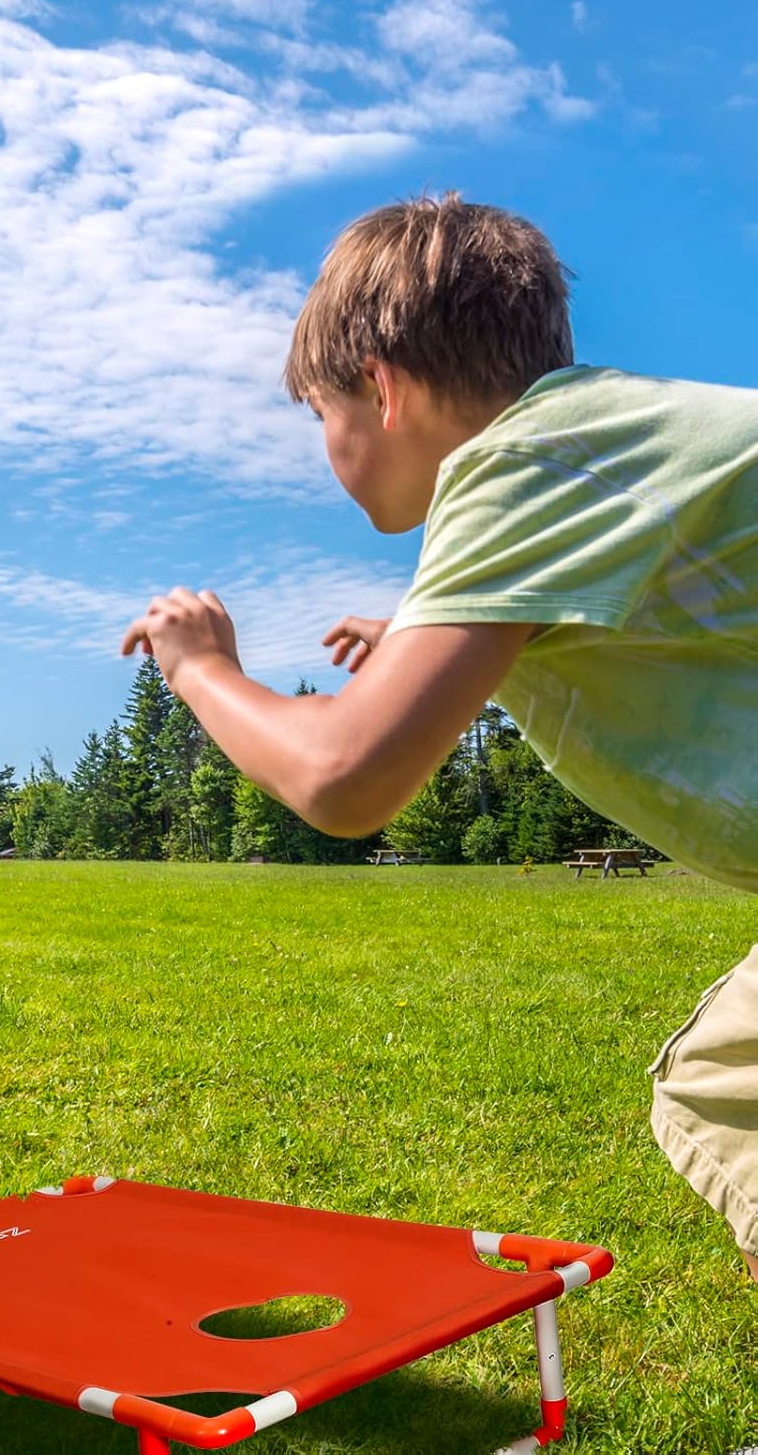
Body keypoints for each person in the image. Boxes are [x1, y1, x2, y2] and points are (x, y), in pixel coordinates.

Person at [121, 193, 757, 1284]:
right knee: (729, 1083)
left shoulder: (523, 462)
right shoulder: (593, 444)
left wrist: (201, 668)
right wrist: (421, 636)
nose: (327, 448)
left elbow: (342, 778)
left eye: (320, 413)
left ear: (380, 384)